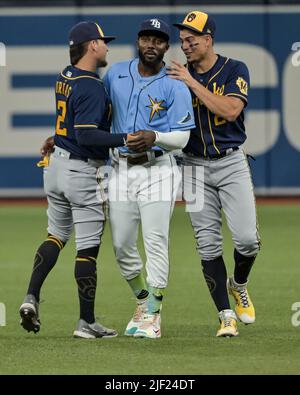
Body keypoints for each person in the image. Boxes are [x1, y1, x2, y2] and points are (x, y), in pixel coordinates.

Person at [19, 21, 131, 339]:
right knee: (88, 248)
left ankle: (31, 296)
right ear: (91, 46)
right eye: (103, 41)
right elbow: (86, 135)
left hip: (55, 166)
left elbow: (68, 124)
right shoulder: (92, 85)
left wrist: (56, 138)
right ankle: (86, 322)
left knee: (56, 235)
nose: (107, 46)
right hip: (81, 170)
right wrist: (127, 138)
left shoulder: (65, 76)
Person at [168, 11, 260, 337]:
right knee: (207, 246)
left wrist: (191, 83)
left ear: (208, 39)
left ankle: (240, 283)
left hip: (231, 161)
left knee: (248, 240)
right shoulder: (175, 78)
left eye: (192, 39)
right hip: (192, 166)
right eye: (182, 41)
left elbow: (231, 109)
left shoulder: (235, 69)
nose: (186, 45)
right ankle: (225, 316)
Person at [103, 18, 195, 339]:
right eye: (146, 39)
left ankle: (153, 314)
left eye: (158, 40)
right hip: (120, 169)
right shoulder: (115, 73)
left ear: (166, 46)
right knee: (121, 244)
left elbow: (182, 137)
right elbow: (98, 115)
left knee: (155, 240)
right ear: (138, 41)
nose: (151, 45)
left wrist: (153, 135)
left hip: (159, 168)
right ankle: (142, 300)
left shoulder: (174, 83)